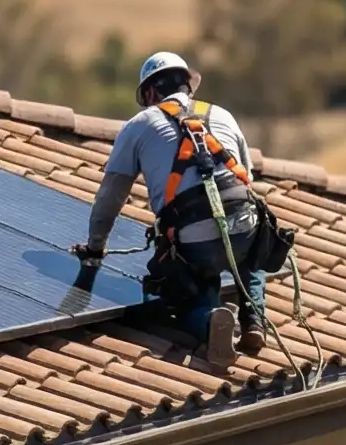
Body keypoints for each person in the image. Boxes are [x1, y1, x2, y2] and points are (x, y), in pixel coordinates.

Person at [72, 50, 277, 364]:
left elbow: (110, 198)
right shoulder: (223, 115)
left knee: (180, 291)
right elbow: (247, 178)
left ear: (151, 92)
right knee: (252, 252)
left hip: (195, 239)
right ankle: (254, 320)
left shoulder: (138, 125)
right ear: (187, 86)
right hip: (245, 227)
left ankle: (211, 322)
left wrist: (96, 248)